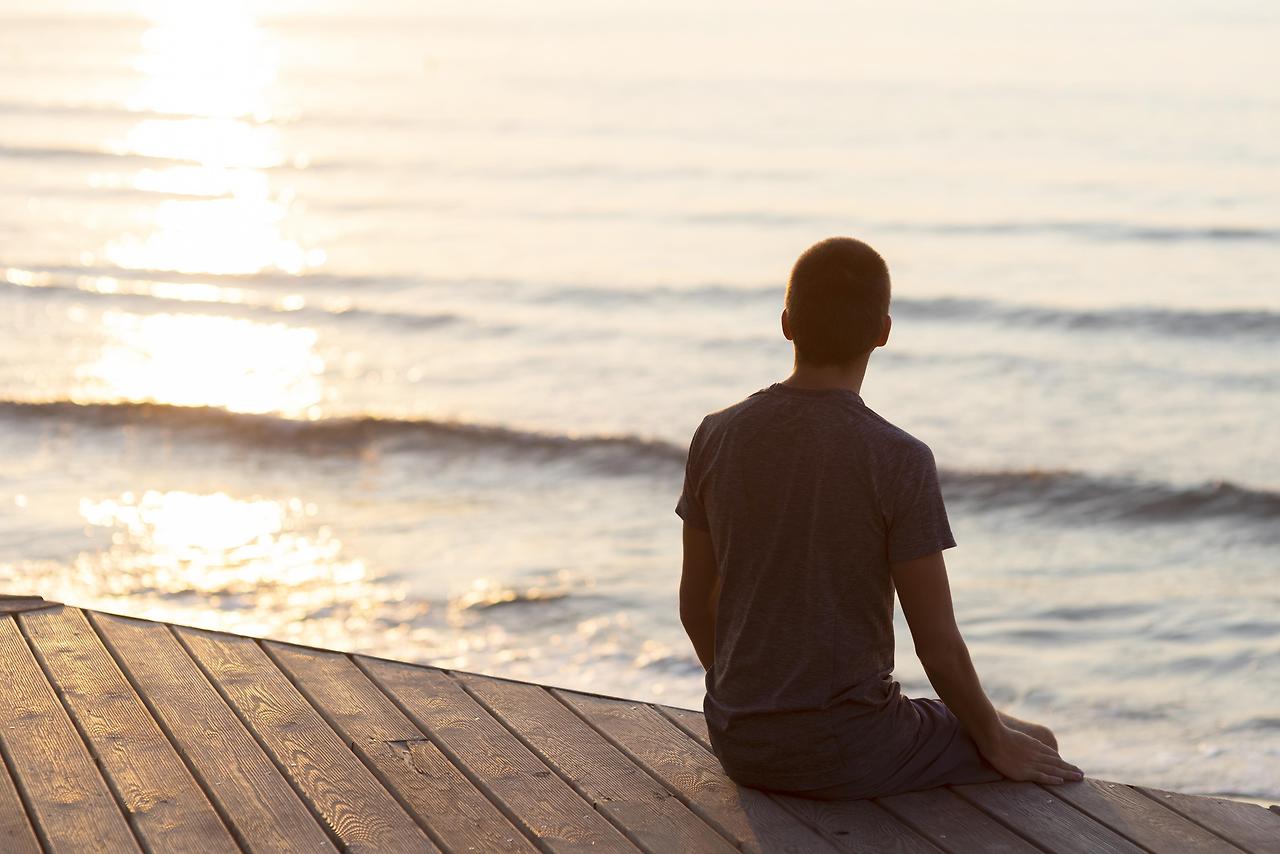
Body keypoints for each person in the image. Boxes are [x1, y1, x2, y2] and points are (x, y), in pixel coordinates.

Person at [676, 236, 1083, 799]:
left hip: (737, 739)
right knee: (1036, 740)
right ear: (883, 332)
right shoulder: (898, 459)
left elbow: (695, 604)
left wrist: (750, 702)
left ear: (787, 322)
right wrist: (995, 739)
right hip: (849, 748)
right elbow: (937, 647)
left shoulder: (716, 435)